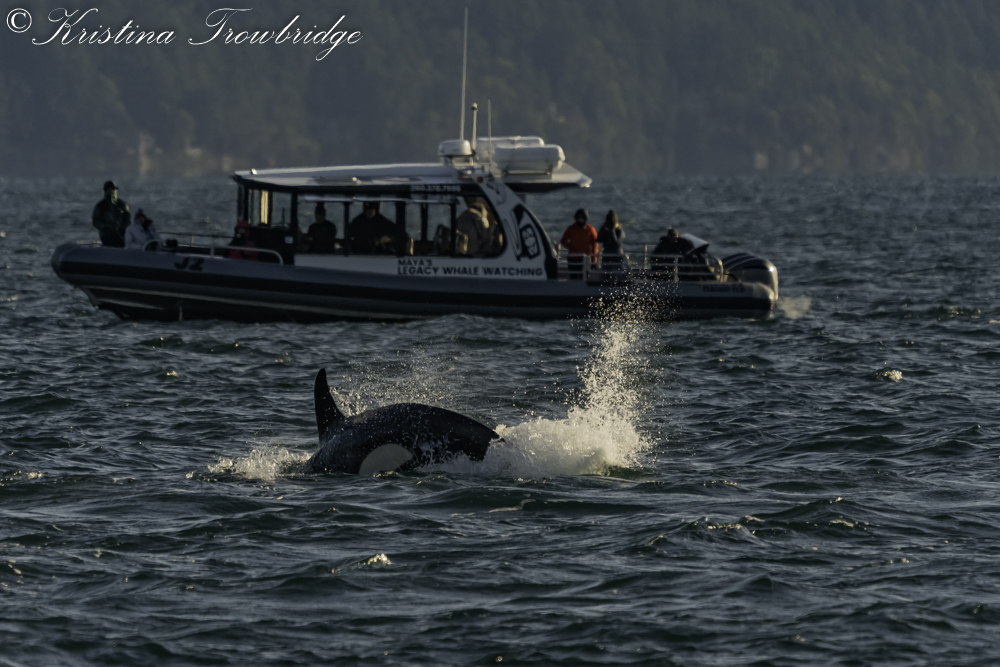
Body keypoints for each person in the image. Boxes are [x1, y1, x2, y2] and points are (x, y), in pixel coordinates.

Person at [559, 208, 598, 279]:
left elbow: (595, 245)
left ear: (585, 219)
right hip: (573, 257)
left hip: (585, 259)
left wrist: (593, 260)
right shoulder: (571, 229)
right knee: (573, 277)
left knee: (583, 278)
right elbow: (563, 240)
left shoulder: (590, 230)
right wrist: (570, 246)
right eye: (578, 218)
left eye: (582, 218)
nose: (580, 220)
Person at [92, 180, 131, 247]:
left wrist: (124, 228)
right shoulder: (101, 205)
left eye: (113, 189)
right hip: (106, 234)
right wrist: (105, 228)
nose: (111, 191)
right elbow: (95, 221)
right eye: (109, 189)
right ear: (105, 190)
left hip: (121, 234)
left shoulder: (122, 204)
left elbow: (128, 219)